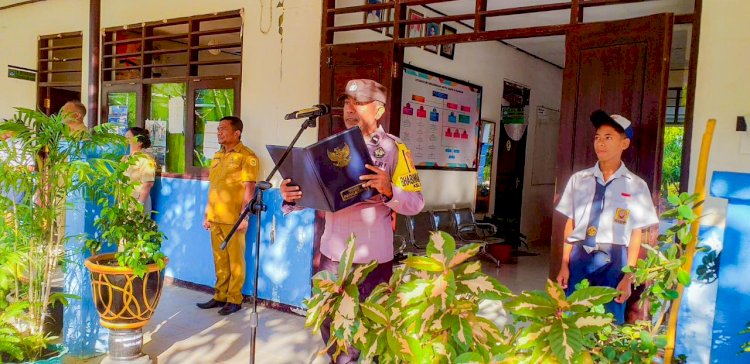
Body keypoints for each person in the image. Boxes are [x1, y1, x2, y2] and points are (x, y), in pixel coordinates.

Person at [280, 79, 425, 363]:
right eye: (347, 102)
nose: (349, 109)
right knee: (327, 321)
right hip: (332, 256)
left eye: (358, 103)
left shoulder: (395, 149)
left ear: (379, 110)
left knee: (364, 331)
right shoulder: (328, 150)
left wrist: (389, 190)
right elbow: (315, 193)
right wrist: (291, 195)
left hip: (371, 261)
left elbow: (416, 204)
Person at [555, 110, 659, 324]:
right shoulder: (579, 180)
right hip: (579, 256)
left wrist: (628, 277)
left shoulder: (636, 186)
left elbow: (636, 233)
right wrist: (565, 263)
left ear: (624, 144)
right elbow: (571, 223)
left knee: (609, 320)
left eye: (608, 137)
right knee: (571, 315)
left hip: (614, 260)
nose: (600, 143)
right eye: (597, 137)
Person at [197, 116, 259, 316]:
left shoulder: (247, 156)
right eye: (218, 129)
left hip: (234, 219)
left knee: (236, 261)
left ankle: (234, 299)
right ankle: (220, 296)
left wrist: (245, 217)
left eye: (223, 129)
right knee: (219, 259)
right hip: (215, 216)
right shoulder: (217, 155)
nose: (219, 132)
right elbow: (214, 187)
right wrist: (207, 214)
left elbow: (249, 188)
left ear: (237, 133)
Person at [123, 127, 156, 214]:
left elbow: (147, 184)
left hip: (138, 201)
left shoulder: (146, 160)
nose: (125, 141)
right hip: (124, 201)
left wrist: (139, 205)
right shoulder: (125, 159)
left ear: (139, 142)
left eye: (128, 138)